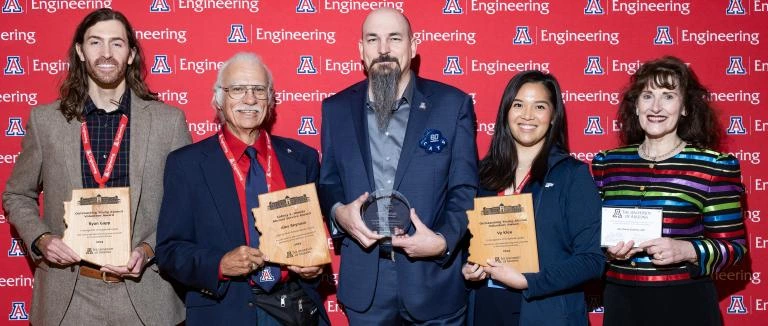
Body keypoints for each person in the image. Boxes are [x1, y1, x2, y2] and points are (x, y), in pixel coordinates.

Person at [2, 8, 189, 325]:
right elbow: (17, 194)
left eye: (117, 43)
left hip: (145, 298)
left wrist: (147, 250)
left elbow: (186, 205)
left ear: (131, 54)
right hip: (69, 298)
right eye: (95, 42)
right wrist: (42, 238)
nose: (106, 53)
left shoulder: (169, 122)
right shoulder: (46, 121)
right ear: (79, 50)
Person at [318, 7, 478, 325]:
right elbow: (329, 181)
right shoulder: (335, 109)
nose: (383, 49)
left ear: (413, 46)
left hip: (433, 283)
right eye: (373, 39)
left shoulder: (452, 104)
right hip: (366, 287)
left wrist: (443, 240)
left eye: (394, 38)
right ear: (361, 50)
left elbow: (464, 189)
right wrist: (338, 212)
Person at [155, 52, 330, 326]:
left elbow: (311, 241)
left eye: (259, 90)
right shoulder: (187, 165)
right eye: (237, 89)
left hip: (294, 309)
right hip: (225, 310)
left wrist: (313, 268)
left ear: (270, 99)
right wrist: (218, 264)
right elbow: (169, 251)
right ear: (219, 99)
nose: (250, 99)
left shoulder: (301, 159)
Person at [592, 56, 747, 326]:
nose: (656, 107)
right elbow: (590, 234)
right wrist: (607, 250)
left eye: (668, 96)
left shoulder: (713, 166)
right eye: (647, 95)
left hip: (684, 302)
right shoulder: (608, 164)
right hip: (621, 301)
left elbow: (734, 248)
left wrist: (686, 250)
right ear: (636, 106)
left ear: (685, 107)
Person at [461, 71, 604, 326]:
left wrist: (529, 280)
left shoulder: (572, 175)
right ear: (506, 111)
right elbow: (465, 244)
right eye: (518, 105)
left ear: (553, 117)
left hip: (545, 313)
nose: (527, 115)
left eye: (539, 106)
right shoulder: (482, 174)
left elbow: (592, 260)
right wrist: (468, 268)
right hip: (487, 309)